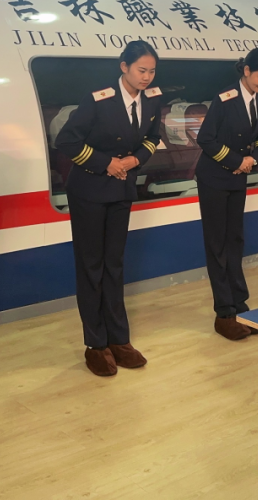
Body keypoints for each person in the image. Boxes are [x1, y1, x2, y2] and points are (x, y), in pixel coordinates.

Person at [56, 40, 163, 377]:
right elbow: (66, 141)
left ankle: (119, 339)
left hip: (121, 189)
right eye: (141, 70)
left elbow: (152, 138)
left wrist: (134, 160)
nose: (146, 77)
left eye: (152, 71)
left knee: (114, 265)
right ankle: (96, 344)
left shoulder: (152, 99)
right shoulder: (99, 99)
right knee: (92, 266)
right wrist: (106, 163)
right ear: (124, 67)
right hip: (89, 189)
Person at [195, 46, 258, 341]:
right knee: (217, 245)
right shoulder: (225, 99)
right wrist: (235, 161)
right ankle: (224, 313)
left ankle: (240, 305)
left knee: (235, 241)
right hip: (215, 178)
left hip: (239, 178)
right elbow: (206, 139)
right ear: (247, 71)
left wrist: (254, 157)